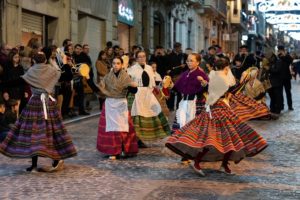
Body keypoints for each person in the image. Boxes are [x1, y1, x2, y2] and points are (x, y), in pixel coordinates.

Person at [166, 58, 268, 176]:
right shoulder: (218, 78)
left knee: (228, 138)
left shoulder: (215, 76)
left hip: (220, 109)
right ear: (226, 68)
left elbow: (224, 91)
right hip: (216, 110)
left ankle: (223, 164)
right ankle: (197, 162)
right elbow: (228, 91)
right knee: (212, 139)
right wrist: (243, 82)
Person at [0, 52, 77, 172]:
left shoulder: (31, 71)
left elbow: (16, 82)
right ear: (45, 60)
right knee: (53, 131)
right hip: (48, 103)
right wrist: (65, 64)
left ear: (34, 61)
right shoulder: (51, 70)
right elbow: (68, 76)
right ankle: (56, 160)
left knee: (33, 133)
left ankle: (34, 165)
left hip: (34, 104)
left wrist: (2, 84)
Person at [97, 57, 138, 160]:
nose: (116, 65)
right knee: (111, 129)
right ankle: (113, 151)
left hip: (121, 104)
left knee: (123, 128)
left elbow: (133, 91)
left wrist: (133, 86)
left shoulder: (126, 77)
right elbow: (100, 89)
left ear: (122, 65)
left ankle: (124, 149)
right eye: (114, 63)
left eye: (118, 63)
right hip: (110, 103)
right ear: (112, 64)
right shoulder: (107, 77)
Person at [127, 50, 170, 144]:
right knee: (137, 116)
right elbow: (129, 83)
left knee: (154, 112)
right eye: (140, 57)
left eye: (144, 56)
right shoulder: (132, 69)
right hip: (137, 95)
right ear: (136, 58)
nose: (142, 58)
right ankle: (137, 140)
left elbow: (153, 83)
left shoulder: (149, 68)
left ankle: (143, 139)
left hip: (148, 94)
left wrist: (161, 90)